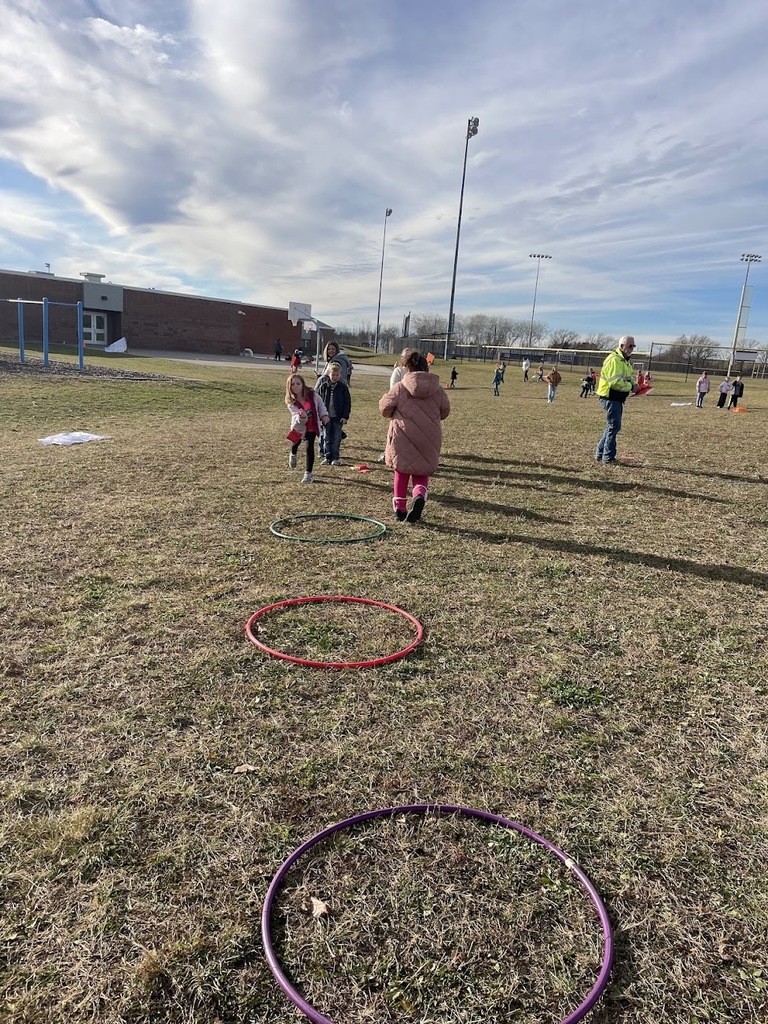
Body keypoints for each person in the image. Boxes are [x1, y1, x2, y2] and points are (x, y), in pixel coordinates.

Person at [379, 351, 450, 523]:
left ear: (408, 368)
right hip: (429, 436)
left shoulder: (400, 387)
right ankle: (419, 494)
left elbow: (384, 408)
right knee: (421, 472)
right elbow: (445, 410)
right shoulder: (438, 390)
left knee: (401, 472)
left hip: (403, 434)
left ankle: (400, 509)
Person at [595, 335, 637, 465]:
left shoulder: (625, 361)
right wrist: (631, 387)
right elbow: (615, 383)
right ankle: (608, 457)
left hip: (617, 398)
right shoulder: (615, 360)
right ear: (622, 346)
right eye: (630, 346)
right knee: (614, 426)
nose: (632, 349)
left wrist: (635, 385)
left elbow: (628, 377)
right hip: (610, 396)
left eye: (633, 346)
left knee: (611, 426)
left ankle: (600, 453)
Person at [285, 374, 329, 483]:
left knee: (309, 448)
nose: (295, 386)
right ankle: (293, 454)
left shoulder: (313, 395)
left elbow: (321, 406)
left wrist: (324, 416)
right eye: (292, 384)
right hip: (299, 426)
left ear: (303, 384)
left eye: (298, 383)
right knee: (295, 443)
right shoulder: (291, 402)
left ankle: (308, 474)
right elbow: (297, 418)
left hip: (312, 426)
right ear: (289, 387)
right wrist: (302, 417)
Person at [315, 362, 351, 466]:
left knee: (336, 438)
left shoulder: (343, 387)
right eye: (333, 375)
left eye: (337, 375)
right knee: (326, 437)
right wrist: (319, 415)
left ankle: (335, 458)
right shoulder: (323, 386)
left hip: (338, 418)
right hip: (326, 417)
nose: (335, 377)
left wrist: (345, 416)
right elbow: (318, 401)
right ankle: (327, 456)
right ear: (328, 374)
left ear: (340, 375)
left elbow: (347, 403)